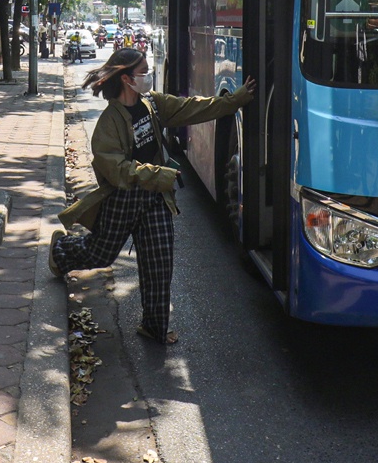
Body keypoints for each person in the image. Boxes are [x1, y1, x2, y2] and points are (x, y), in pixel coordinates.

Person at [51, 48, 255, 345]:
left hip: (156, 197)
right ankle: (61, 250)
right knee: (100, 254)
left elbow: (191, 108)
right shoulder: (108, 123)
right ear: (126, 79)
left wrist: (234, 100)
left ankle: (154, 327)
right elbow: (117, 170)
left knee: (159, 262)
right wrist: (159, 175)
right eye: (143, 72)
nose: (148, 77)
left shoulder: (153, 104)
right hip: (124, 198)